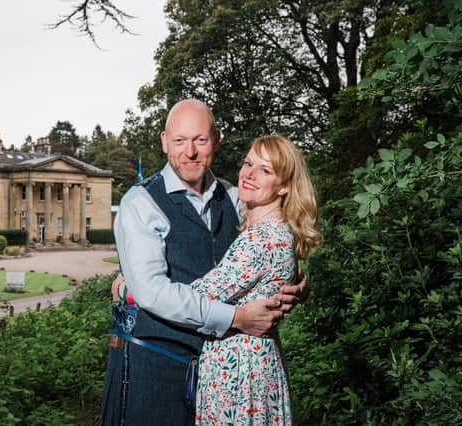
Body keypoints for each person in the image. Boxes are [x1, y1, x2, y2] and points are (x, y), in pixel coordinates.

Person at [101, 99, 307, 426]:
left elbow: (273, 242)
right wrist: (237, 317)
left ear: (217, 140)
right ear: (164, 141)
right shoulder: (140, 202)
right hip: (155, 363)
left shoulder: (236, 196)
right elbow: (152, 292)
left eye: (200, 140)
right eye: (180, 141)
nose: (190, 152)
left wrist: (291, 284)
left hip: (224, 372)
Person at [190, 134, 322, 424]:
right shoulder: (277, 231)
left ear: (285, 186)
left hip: (239, 377)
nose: (248, 174)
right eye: (248, 163)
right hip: (254, 367)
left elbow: (196, 298)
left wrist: (136, 286)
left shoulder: (260, 240)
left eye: (265, 170)